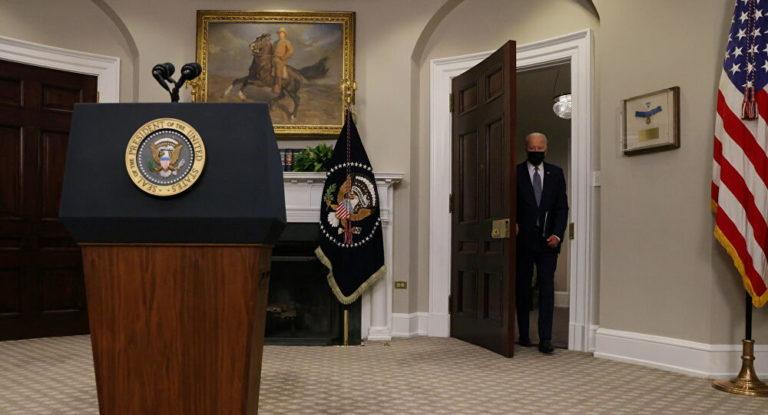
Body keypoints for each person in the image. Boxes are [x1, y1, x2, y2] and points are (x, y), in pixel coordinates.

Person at [516, 132, 569, 355]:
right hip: (523, 241)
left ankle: (545, 339)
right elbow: (509, 203)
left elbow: (562, 207)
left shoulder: (556, 173)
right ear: (526, 148)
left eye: (540, 149)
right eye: (532, 148)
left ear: (546, 149)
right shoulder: (515, 173)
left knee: (547, 289)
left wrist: (557, 234)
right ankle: (524, 335)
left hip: (548, 242)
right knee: (523, 289)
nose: (536, 152)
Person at [272, 27, 294, 94]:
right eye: (279, 33)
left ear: (284, 34)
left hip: (280, 60)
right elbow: (272, 51)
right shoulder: (275, 42)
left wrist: (284, 57)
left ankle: (278, 87)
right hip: (273, 58)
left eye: (282, 33)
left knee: (278, 72)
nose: (280, 34)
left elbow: (291, 51)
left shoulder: (287, 42)